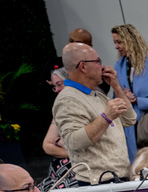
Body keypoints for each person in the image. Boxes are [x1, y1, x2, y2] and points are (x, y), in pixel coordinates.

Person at [53, 42, 136, 183]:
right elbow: (73, 142)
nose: (102, 67)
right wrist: (106, 117)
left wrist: (116, 86)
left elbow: (130, 119)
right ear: (83, 66)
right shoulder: (67, 99)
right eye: (98, 61)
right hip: (99, 183)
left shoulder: (97, 93)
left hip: (118, 177)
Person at [112, 24, 148, 161]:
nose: (116, 47)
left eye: (119, 42)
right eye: (115, 42)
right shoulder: (118, 66)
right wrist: (122, 97)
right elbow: (115, 98)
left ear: (131, 40)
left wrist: (138, 101)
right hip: (130, 129)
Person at [43, 67, 69, 161]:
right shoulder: (61, 109)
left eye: (59, 84)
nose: (57, 90)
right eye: (54, 87)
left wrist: (60, 143)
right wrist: (76, 156)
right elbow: (47, 146)